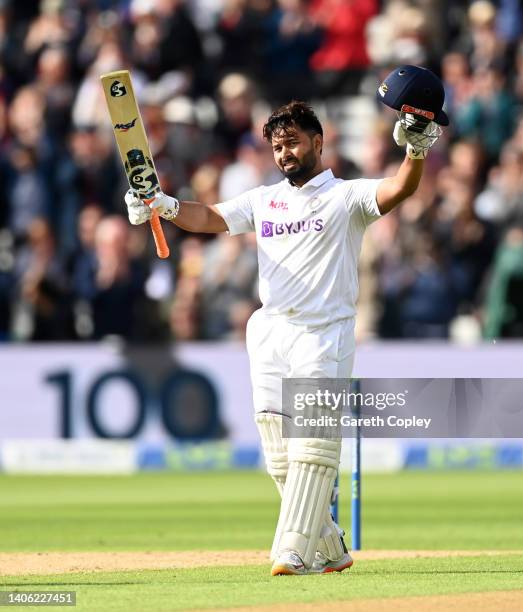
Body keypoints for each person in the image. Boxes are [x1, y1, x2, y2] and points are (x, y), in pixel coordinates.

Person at [124, 99, 441, 575]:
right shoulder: (263, 199)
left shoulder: (347, 197)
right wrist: (162, 205)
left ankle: (292, 550)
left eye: (293, 142)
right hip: (271, 331)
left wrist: (415, 150)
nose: (284, 153)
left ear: (318, 141)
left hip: (324, 332)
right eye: (277, 146)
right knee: (278, 455)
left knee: (311, 448)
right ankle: (332, 548)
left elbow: (399, 188)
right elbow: (208, 217)